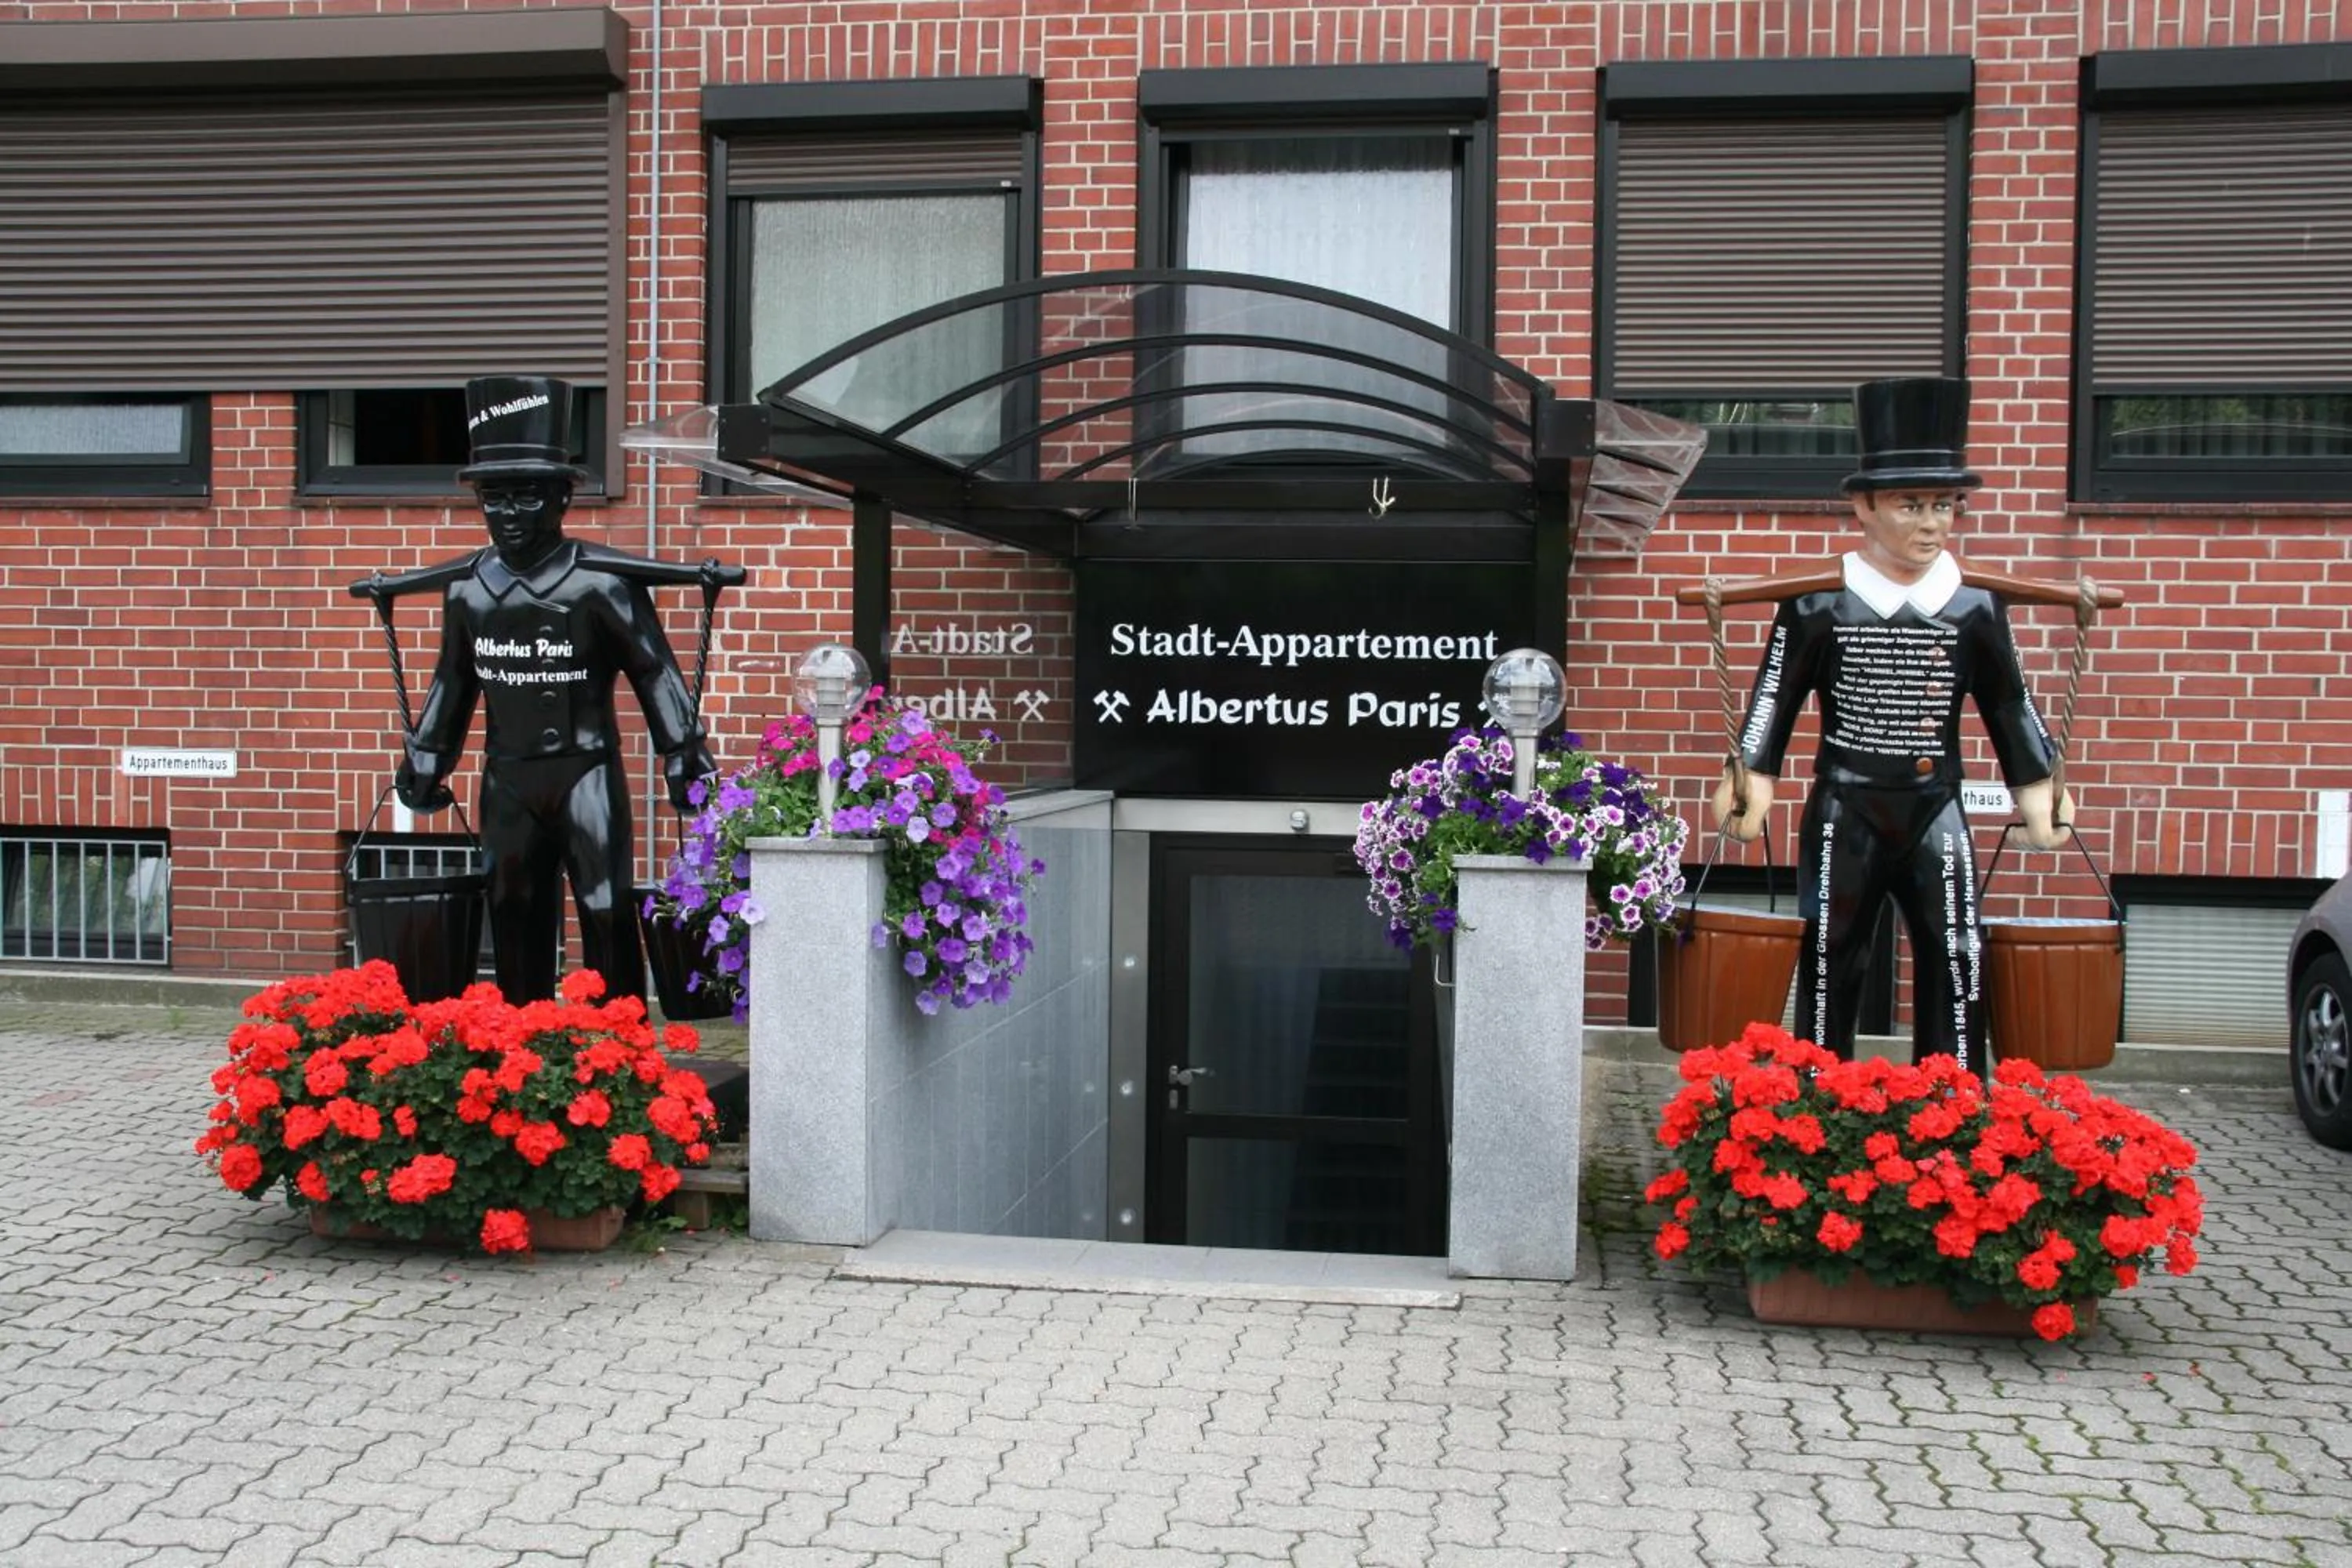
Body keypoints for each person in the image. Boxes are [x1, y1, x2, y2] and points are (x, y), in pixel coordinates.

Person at [1709, 376, 2072, 1073]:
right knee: (1830, 949)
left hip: (1935, 806)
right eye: (1912, 505)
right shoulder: (1818, 604)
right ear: (1865, 507)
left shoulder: (1974, 608)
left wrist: (2038, 784)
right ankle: (1819, 1094)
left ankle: (1953, 1097)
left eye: (1944, 505)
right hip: (1845, 807)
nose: (1932, 524)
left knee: (1957, 949)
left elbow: (2009, 702)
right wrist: (1752, 773)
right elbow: (1774, 696)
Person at [394, 375, 717, 1004]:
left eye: (526, 497)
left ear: (561, 499)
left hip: (585, 771)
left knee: (604, 904)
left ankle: (617, 1034)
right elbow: (453, 680)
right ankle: (523, 1034)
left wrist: (681, 751)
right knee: (512, 904)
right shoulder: (468, 591)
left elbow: (653, 670)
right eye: (494, 499)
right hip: (507, 777)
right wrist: (428, 757)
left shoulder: (600, 585)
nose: (509, 515)